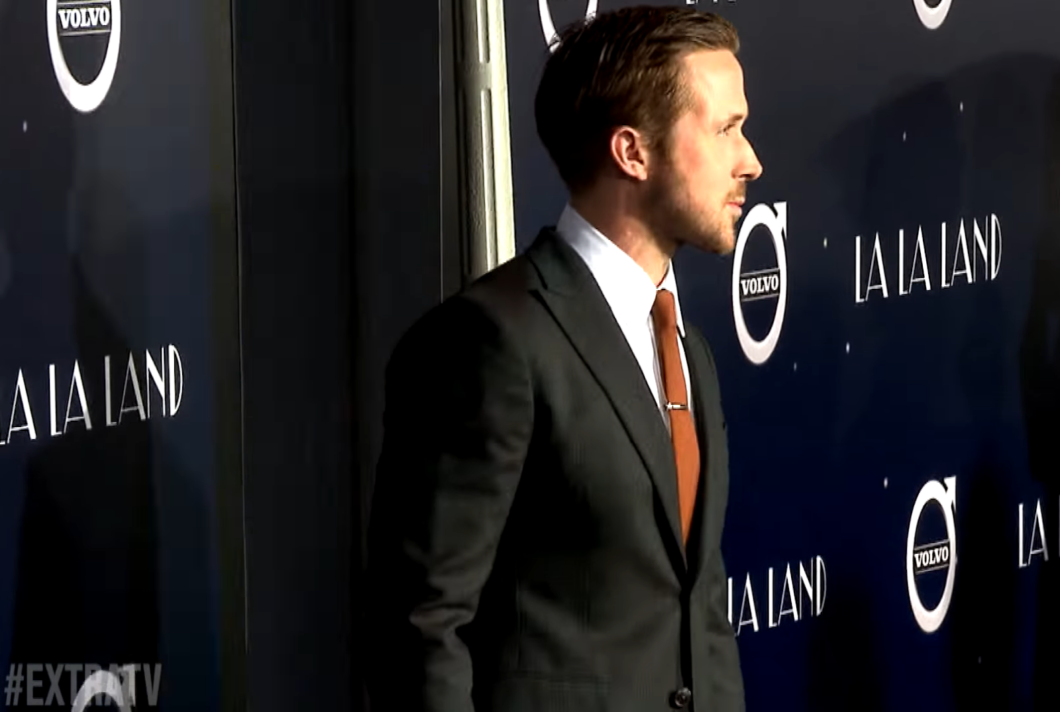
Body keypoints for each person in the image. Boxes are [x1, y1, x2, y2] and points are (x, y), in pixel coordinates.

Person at [364, 6, 763, 711]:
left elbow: (698, 608)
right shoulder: (491, 340)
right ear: (632, 152)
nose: (750, 161)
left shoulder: (687, 349)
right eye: (726, 129)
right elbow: (422, 624)